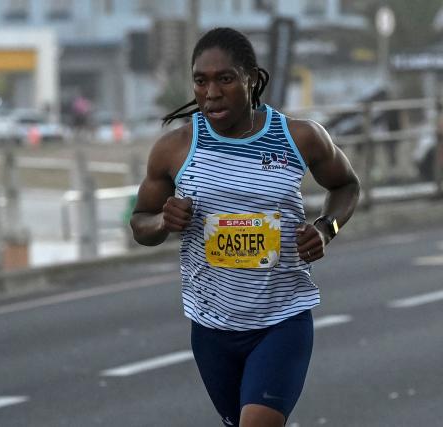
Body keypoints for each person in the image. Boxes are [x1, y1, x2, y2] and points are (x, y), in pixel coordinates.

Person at [130, 27, 360, 427]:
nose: (211, 93)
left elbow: (346, 185)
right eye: (201, 81)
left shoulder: (299, 137)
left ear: (251, 78)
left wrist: (326, 228)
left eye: (225, 79)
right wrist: (163, 221)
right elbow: (140, 223)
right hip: (211, 328)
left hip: (282, 321)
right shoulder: (175, 148)